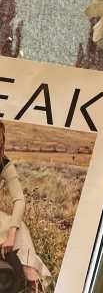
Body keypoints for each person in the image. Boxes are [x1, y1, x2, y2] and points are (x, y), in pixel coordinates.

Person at [0, 123, 50, 293]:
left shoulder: (3, 163)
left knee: (20, 228)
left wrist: (11, 234)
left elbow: (20, 200)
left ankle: (33, 281)